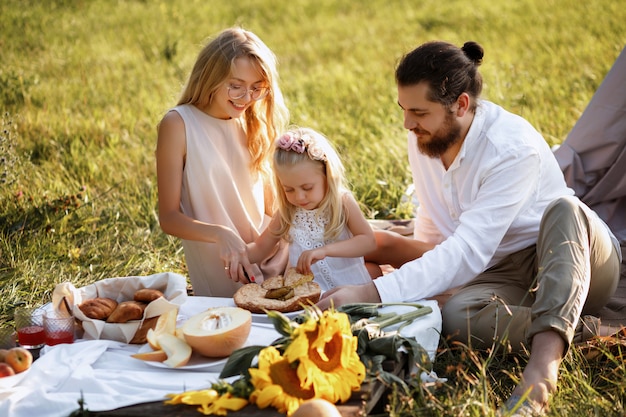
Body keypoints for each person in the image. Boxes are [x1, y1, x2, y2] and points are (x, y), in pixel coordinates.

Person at [318, 40, 622, 413]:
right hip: (506, 274)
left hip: (579, 259)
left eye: (418, 111)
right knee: (457, 315)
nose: (407, 123)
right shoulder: (425, 137)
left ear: (461, 105)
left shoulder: (511, 147)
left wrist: (371, 291)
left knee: (564, 208)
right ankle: (599, 334)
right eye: (403, 109)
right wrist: (413, 279)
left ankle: (543, 370)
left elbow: (466, 249)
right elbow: (435, 229)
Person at [156, 27, 290, 297]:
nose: (246, 98)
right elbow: (168, 218)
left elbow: (269, 207)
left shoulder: (253, 120)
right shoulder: (179, 124)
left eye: (256, 89)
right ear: (210, 78)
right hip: (230, 271)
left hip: (274, 253)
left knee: (368, 257)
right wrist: (221, 234)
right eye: (236, 86)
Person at [246, 127, 376, 291]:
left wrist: (325, 251)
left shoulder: (342, 202)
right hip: (310, 298)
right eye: (289, 190)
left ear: (328, 177)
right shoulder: (288, 212)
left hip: (352, 290)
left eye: (307, 188)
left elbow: (368, 241)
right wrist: (238, 255)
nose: (299, 197)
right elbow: (260, 248)